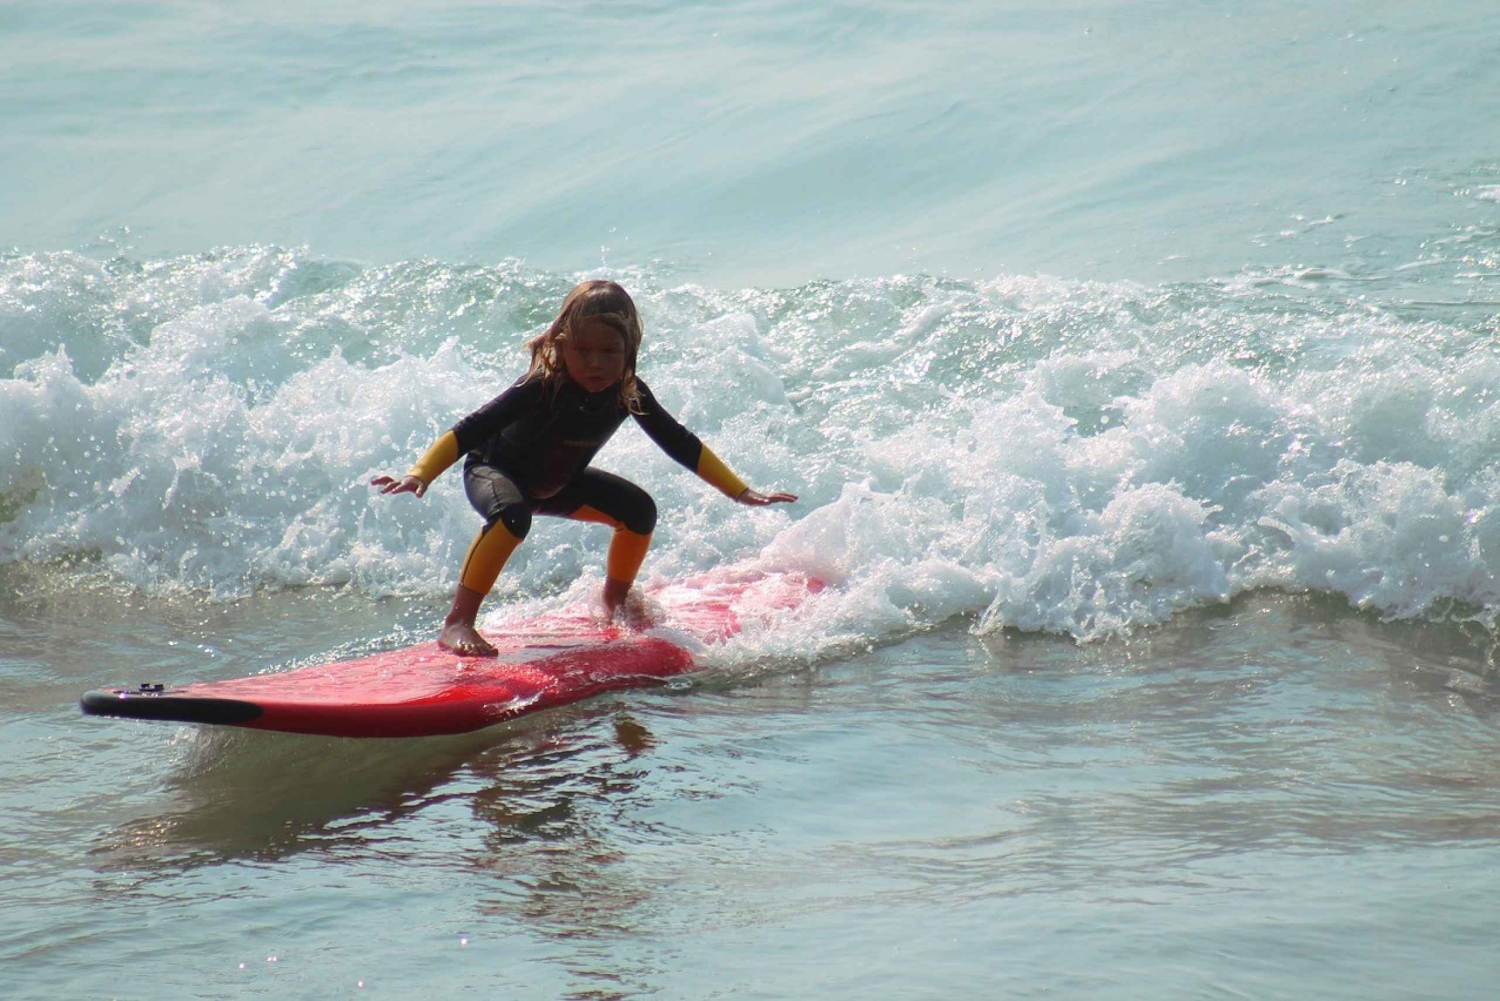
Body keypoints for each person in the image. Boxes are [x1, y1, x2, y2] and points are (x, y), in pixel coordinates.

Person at [371, 280, 797, 656]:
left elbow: (680, 443)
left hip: (557, 485)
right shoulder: (540, 386)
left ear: (630, 351)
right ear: (560, 345)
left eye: (609, 351)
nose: (595, 363)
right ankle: (458, 622)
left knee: (638, 512)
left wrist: (740, 491)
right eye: (583, 351)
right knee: (512, 517)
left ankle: (614, 602)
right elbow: (470, 430)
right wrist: (420, 473)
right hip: (494, 473)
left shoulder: (629, 393)